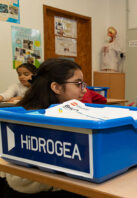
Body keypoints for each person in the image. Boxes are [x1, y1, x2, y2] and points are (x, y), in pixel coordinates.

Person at [1, 58, 87, 197]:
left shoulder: (65, 113)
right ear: (56, 87)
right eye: (78, 84)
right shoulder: (32, 120)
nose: (84, 90)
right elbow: (19, 181)